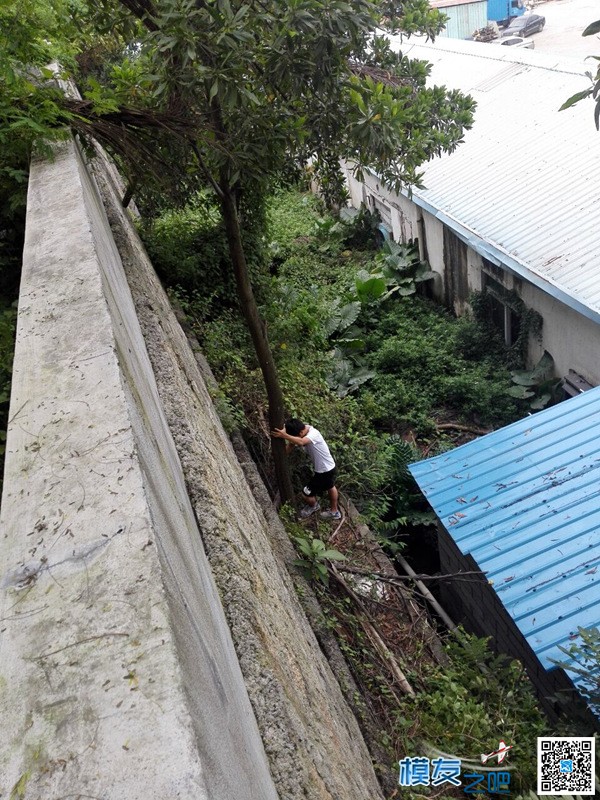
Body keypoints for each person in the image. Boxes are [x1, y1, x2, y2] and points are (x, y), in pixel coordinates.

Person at [271, 418, 341, 520]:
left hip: (324, 471)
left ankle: (314, 506)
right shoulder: (303, 430)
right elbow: (292, 443)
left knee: (306, 494)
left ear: (301, 432)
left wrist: (284, 435)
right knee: (331, 486)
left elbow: (301, 442)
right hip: (329, 467)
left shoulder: (313, 434)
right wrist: (281, 457)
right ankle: (334, 512)